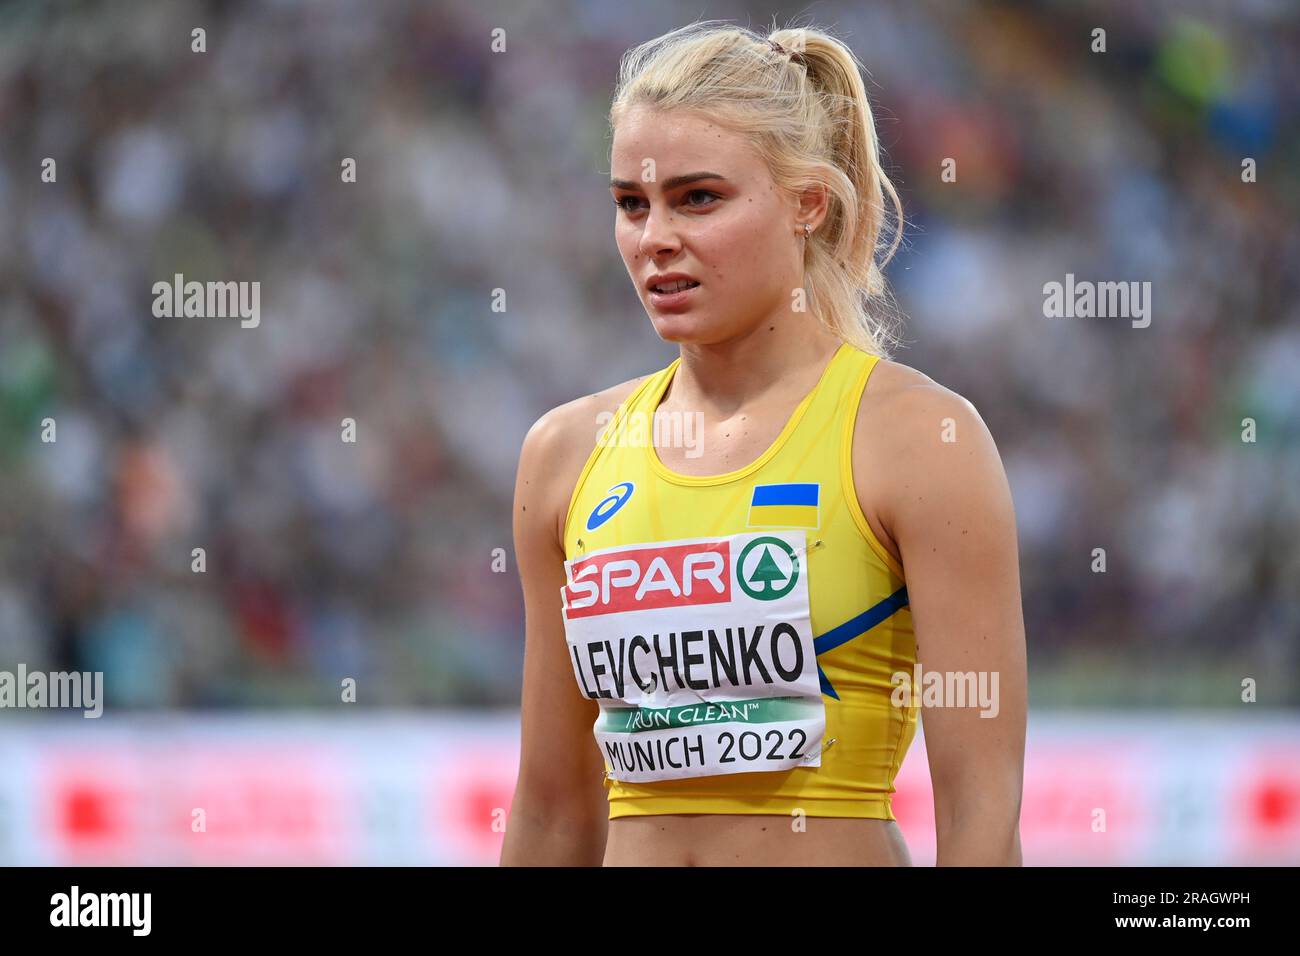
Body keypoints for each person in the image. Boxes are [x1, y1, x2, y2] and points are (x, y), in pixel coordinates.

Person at [501, 21, 1026, 866]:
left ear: (807, 204)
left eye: (697, 197)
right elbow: (552, 810)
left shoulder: (919, 440)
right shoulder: (564, 455)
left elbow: (983, 814)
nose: (654, 238)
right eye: (631, 205)